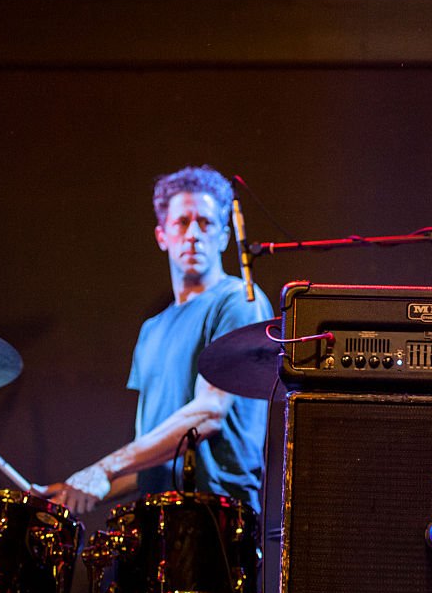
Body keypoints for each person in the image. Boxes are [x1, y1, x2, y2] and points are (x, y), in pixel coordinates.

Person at [46, 164, 273, 514]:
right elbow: (150, 462)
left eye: (206, 223)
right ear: (162, 236)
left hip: (216, 518)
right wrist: (74, 491)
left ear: (225, 237)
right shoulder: (152, 329)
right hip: (154, 515)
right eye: (182, 223)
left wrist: (101, 469)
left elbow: (209, 413)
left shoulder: (239, 300)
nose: (193, 234)